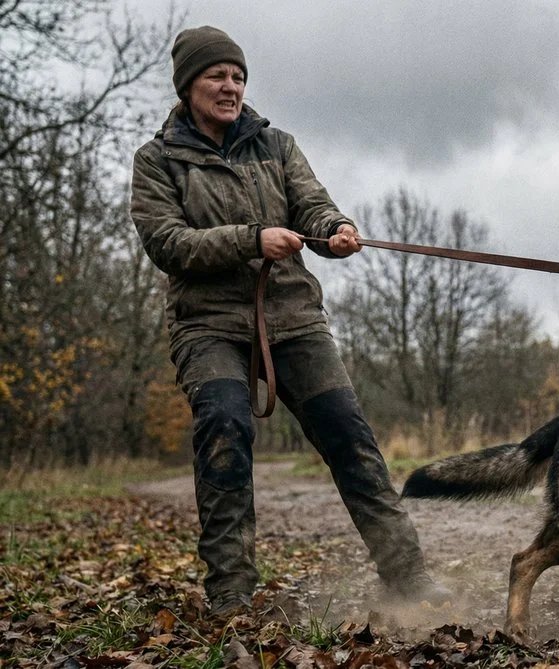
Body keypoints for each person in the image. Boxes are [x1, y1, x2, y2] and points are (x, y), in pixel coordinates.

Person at [129, 26, 450, 618]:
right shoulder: (157, 161)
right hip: (208, 326)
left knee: (351, 438)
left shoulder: (276, 144)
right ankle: (231, 593)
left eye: (238, 76)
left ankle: (407, 577)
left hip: (294, 317)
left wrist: (335, 229)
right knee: (225, 431)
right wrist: (251, 238)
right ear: (188, 85)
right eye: (216, 76)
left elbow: (310, 204)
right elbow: (168, 244)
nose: (230, 87)